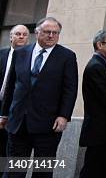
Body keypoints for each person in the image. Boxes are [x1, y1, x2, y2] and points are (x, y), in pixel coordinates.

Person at [0, 17, 78, 178]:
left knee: (42, 171)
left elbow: (70, 89)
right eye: (47, 32)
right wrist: (4, 113)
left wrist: (64, 116)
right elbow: (11, 86)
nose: (51, 36)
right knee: (14, 170)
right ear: (37, 33)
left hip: (48, 125)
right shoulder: (21, 53)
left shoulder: (67, 56)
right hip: (18, 123)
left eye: (55, 33)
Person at [79, 29, 106, 178]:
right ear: (99, 44)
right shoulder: (96, 66)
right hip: (99, 132)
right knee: (93, 170)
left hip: (105, 131)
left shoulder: (103, 65)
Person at [0, 25, 29, 157]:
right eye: (18, 34)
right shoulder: (1, 54)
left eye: (25, 34)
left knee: (9, 148)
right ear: (10, 37)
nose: (22, 36)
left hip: (15, 109)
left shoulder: (30, 57)